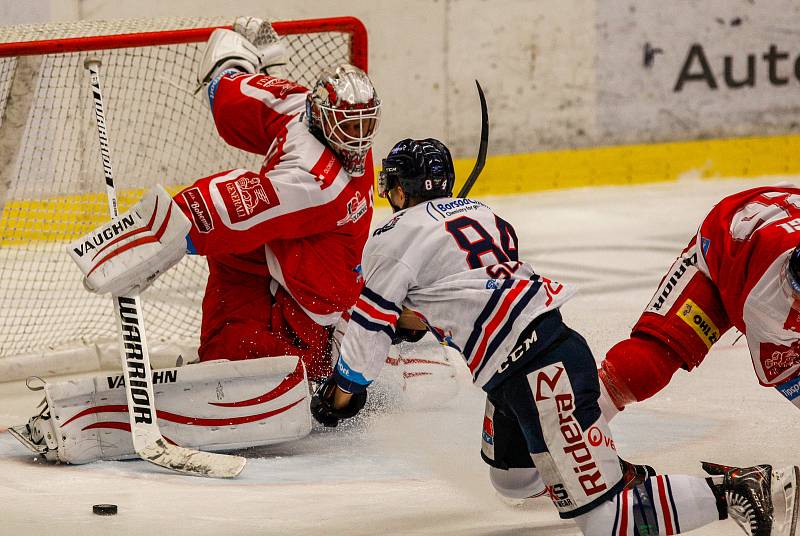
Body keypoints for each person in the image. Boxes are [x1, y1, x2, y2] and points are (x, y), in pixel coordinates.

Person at [309, 138, 797, 535]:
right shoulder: (485, 216)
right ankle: (618, 474)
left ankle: (744, 489)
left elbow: (367, 338)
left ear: (402, 189)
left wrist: (340, 396)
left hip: (541, 374)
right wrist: (409, 321)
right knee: (514, 482)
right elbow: (464, 294)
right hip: (533, 359)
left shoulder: (392, 237)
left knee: (608, 521)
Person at [69, 18, 381, 381]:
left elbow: (220, 207)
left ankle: (278, 365)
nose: (356, 139)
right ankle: (226, 360)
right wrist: (238, 63)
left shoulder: (319, 180)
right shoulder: (298, 107)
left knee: (252, 342)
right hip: (293, 255)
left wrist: (132, 245)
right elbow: (230, 94)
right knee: (235, 254)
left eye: (364, 125)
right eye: (348, 124)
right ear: (318, 114)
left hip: (309, 308)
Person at [600, 185, 800, 415]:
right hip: (721, 249)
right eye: (797, 295)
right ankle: (577, 416)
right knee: (645, 367)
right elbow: (790, 372)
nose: (796, 303)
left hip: (772, 226)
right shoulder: (767, 305)